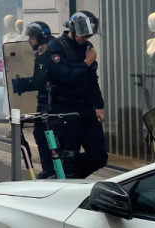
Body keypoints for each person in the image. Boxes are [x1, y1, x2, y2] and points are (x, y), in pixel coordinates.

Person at [43, 11, 108, 178]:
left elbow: (92, 79)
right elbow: (66, 77)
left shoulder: (87, 47)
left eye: (87, 35)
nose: (84, 38)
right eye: (82, 34)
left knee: (99, 156)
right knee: (69, 157)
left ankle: (63, 178)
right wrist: (87, 62)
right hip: (64, 109)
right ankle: (63, 179)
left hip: (86, 108)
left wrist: (99, 105)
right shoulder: (56, 47)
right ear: (72, 29)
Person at [11, 21, 56, 178]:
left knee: (49, 136)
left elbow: (45, 79)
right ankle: (48, 169)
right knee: (40, 134)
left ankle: (54, 170)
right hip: (44, 101)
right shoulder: (41, 52)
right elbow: (39, 80)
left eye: (32, 38)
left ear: (41, 37)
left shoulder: (52, 51)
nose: (29, 41)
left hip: (52, 103)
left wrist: (24, 84)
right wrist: (21, 83)